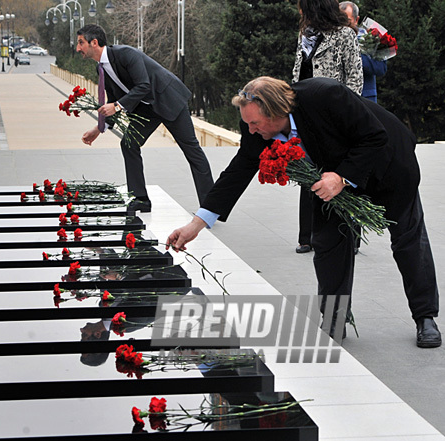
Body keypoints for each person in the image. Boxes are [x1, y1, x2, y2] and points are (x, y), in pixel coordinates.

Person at [166, 76, 441, 349]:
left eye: (255, 124)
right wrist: (196, 225)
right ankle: (334, 319)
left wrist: (343, 177)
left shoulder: (326, 95)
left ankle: (425, 317)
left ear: (275, 112)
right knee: (327, 243)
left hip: (388, 165)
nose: (250, 130)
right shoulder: (255, 125)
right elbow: (240, 169)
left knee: (408, 239)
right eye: (248, 123)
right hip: (329, 180)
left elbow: (375, 136)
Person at [75, 24, 214, 212]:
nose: (78, 48)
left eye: (81, 43)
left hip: (168, 99)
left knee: (191, 150)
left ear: (94, 42)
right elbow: (113, 99)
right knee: (129, 143)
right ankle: (140, 199)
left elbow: (143, 86)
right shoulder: (101, 70)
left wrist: (116, 107)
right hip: (146, 110)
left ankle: (210, 207)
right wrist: (99, 128)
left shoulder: (126, 54)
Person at [292, 0, 363, 254]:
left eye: (303, 7)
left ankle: (349, 233)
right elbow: (299, 71)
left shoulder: (345, 34)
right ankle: (307, 236)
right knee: (307, 171)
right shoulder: (306, 34)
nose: (299, 12)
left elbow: (354, 76)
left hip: (336, 114)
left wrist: (349, 114)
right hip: (306, 112)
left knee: (339, 174)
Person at [340, 1, 388, 103]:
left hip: (365, 98)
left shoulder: (369, 39)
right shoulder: (331, 39)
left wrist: (354, 57)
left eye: (347, 21)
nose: (343, 25)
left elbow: (381, 68)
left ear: (356, 20)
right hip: (340, 97)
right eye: (339, 21)